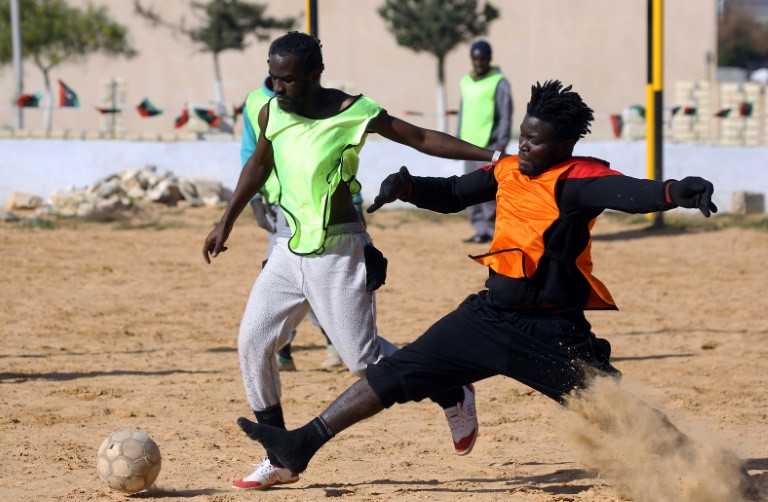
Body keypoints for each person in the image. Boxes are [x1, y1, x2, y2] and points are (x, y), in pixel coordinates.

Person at [233, 80, 738, 493]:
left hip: (552, 335)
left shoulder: (578, 179)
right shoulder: (509, 170)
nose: (524, 146)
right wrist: (410, 187)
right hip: (488, 318)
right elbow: (455, 192)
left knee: (617, 415)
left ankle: (706, 467)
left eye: (536, 141)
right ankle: (301, 445)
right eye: (522, 137)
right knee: (395, 374)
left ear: (563, 146)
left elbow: (629, 192)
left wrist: (675, 191)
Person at [203, 31, 503, 491]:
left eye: (287, 80)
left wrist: (494, 157)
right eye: (272, 77)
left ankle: (451, 390)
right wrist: (226, 220)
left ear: (314, 75)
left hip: (339, 250)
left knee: (364, 362)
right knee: (252, 343)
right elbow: (259, 165)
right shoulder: (271, 111)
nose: (277, 87)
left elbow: (421, 137)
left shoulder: (353, 112)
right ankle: (279, 456)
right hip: (288, 248)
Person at [241, 76, 343, 372]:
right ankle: (283, 352)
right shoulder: (255, 102)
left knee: (313, 276)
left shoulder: (313, 100)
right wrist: (254, 199)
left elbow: (336, 152)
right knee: (282, 276)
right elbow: (250, 153)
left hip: (315, 203)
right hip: (278, 206)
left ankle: (333, 342)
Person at [456, 40, 512, 244]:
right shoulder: (466, 81)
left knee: (488, 191)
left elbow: (505, 115)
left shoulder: (499, 82)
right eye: (475, 59)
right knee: (470, 189)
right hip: (467, 145)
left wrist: (502, 143)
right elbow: (463, 112)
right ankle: (480, 229)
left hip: (489, 145)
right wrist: (456, 140)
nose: (479, 63)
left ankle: (493, 230)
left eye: (482, 58)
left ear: (489, 58)